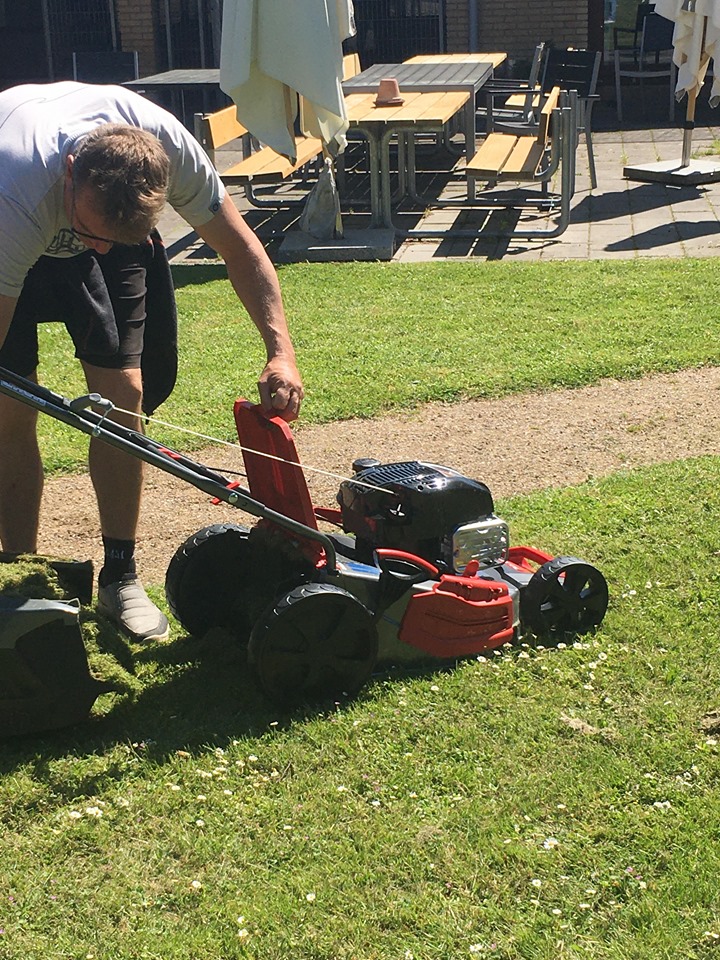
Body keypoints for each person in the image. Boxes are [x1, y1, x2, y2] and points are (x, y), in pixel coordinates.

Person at [0, 81, 304, 643]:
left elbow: (240, 248)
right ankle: (21, 578)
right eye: (94, 233)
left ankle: (120, 576)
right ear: (71, 172)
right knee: (10, 407)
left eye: (118, 237)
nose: (99, 250)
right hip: (16, 231)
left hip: (92, 217)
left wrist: (280, 352)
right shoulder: (17, 184)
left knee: (124, 399)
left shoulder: (171, 152)